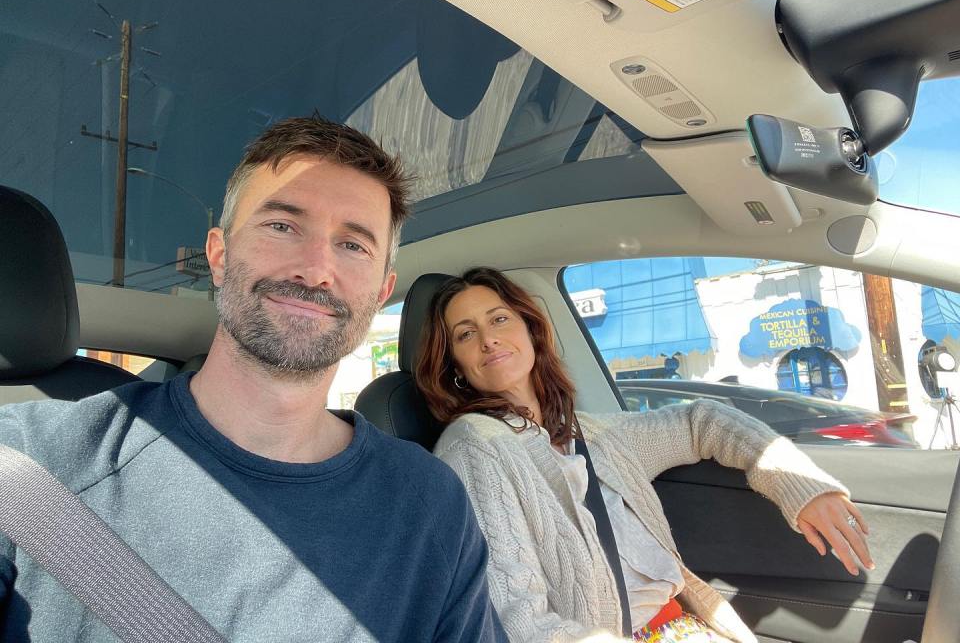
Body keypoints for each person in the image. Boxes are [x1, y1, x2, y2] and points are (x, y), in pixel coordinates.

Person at [0, 116, 506, 643]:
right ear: (218, 256)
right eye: (282, 226)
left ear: (381, 291)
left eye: (353, 245)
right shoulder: (29, 463)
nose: (315, 270)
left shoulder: (430, 503)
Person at [415, 267, 874, 643]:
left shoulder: (592, 433)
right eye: (465, 334)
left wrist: (801, 487)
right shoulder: (474, 446)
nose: (488, 340)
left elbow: (702, 421)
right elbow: (516, 619)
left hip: (686, 625)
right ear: (455, 365)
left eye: (498, 320)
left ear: (531, 331)